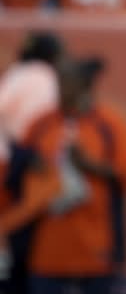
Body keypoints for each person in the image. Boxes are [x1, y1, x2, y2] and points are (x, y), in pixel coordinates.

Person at [23, 55, 126, 294]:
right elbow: (20, 169)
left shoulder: (110, 124)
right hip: (48, 247)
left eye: (67, 82)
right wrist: (33, 166)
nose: (60, 90)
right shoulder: (42, 124)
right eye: (58, 83)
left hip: (95, 245)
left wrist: (89, 165)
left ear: (85, 86)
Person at [0, 31, 64, 294]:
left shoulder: (17, 75)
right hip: (25, 158)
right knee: (26, 229)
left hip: (12, 154)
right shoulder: (45, 77)